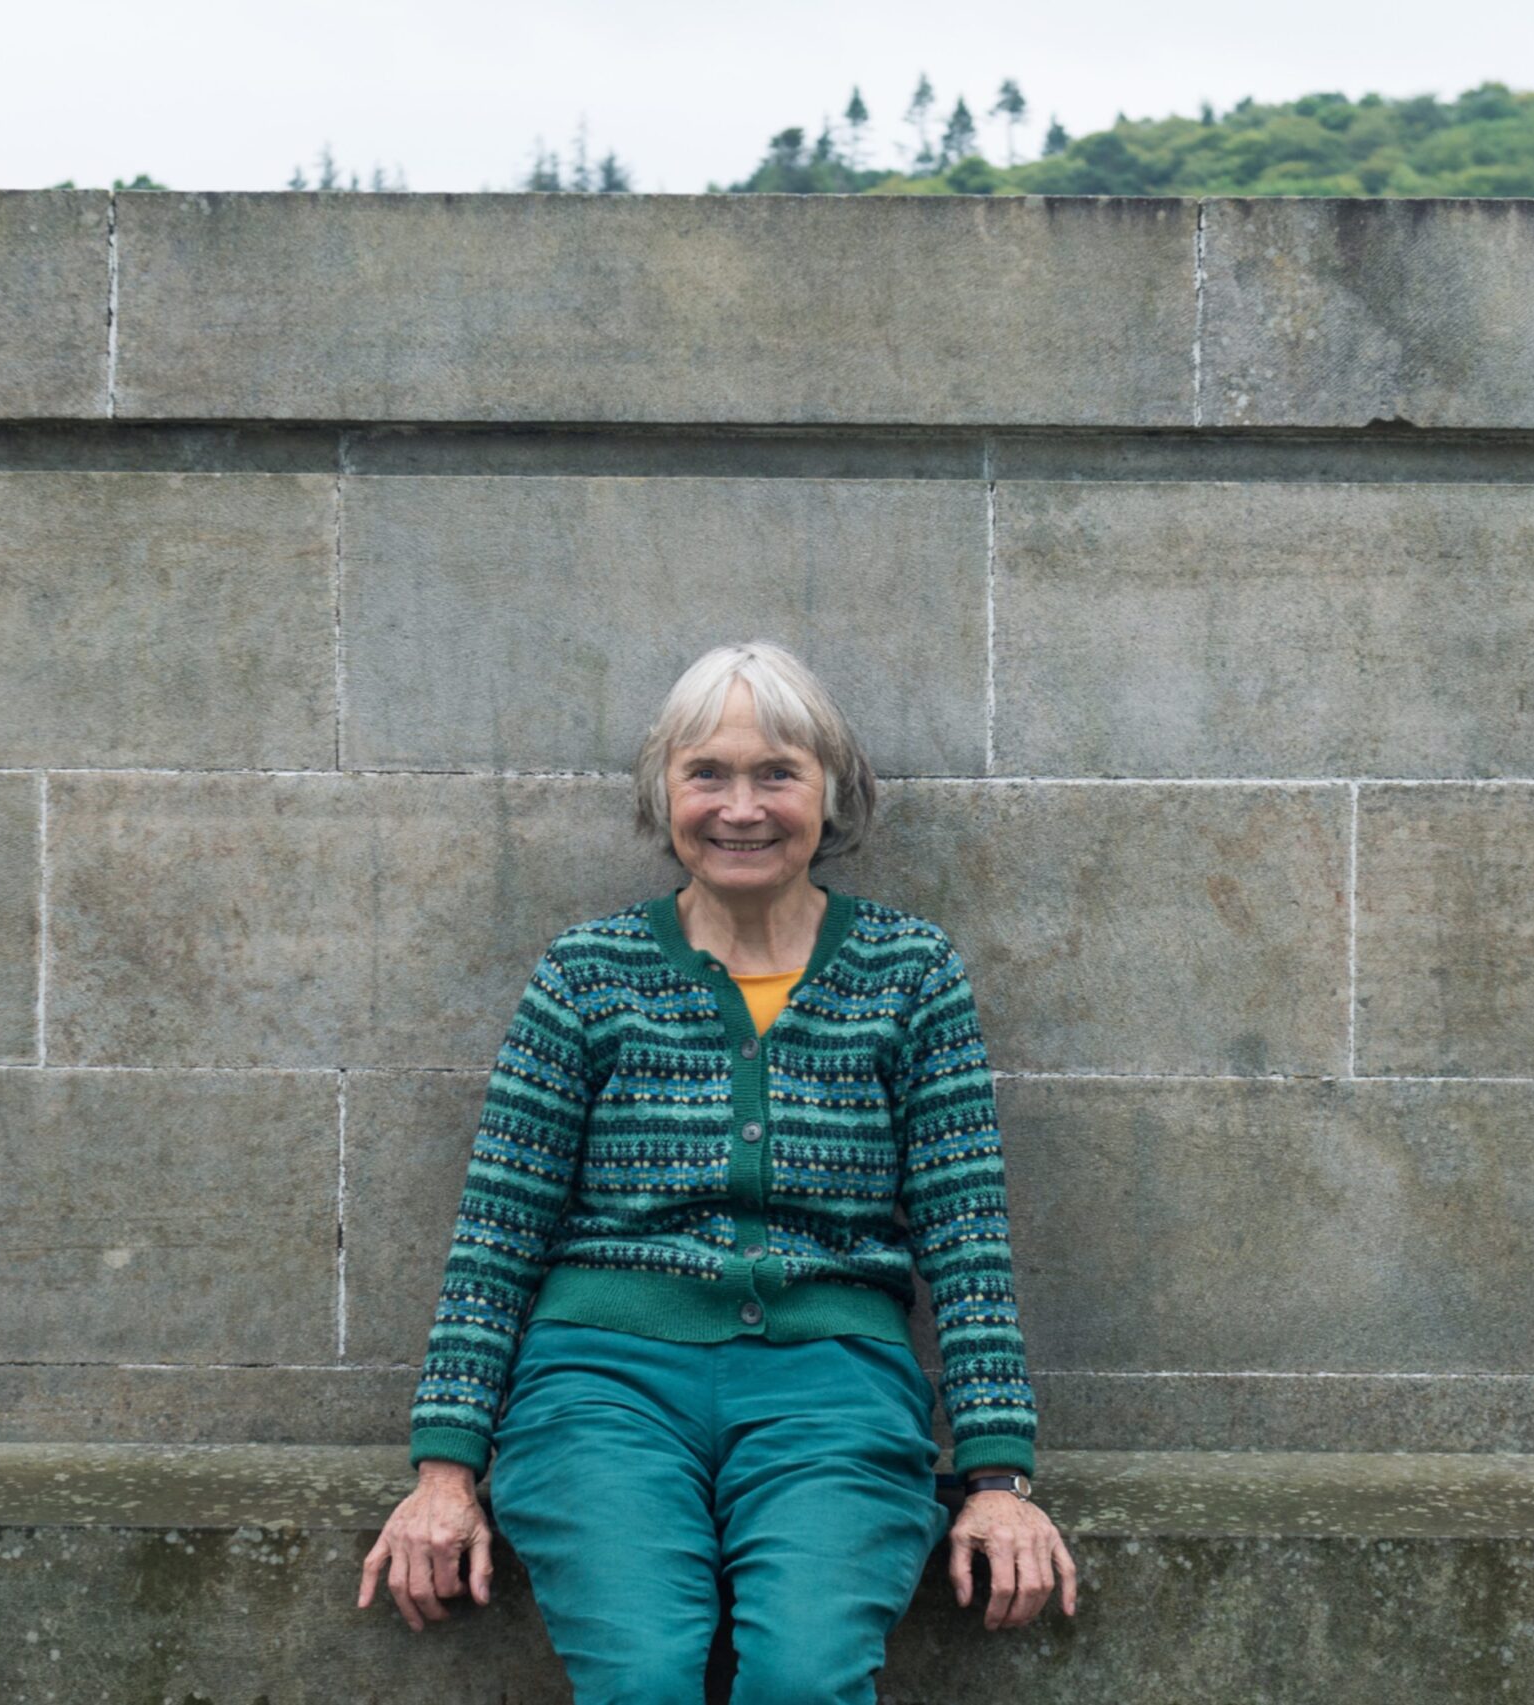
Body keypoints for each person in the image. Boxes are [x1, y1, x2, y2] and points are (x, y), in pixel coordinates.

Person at [358, 639, 1074, 1703]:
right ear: (665, 792)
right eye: (709, 774)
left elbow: (966, 1239)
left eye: (777, 773)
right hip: (598, 1387)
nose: (742, 807)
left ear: (832, 792)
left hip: (832, 1392)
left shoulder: (910, 973)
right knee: (642, 1676)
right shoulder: (586, 975)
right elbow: (497, 1232)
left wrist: (999, 1477)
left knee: (802, 1677)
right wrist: (445, 1469)